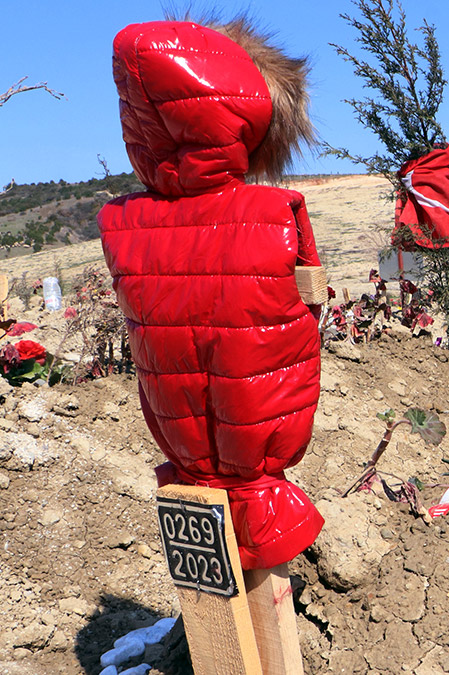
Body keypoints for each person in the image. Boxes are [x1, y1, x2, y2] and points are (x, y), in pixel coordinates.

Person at [98, 18, 324, 569]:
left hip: (182, 467)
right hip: (261, 474)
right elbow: (306, 312)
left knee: (213, 612)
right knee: (263, 626)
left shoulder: (120, 223)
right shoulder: (277, 213)